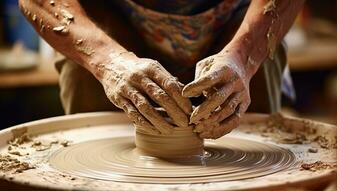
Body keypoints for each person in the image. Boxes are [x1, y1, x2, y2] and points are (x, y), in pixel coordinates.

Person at [19, 0, 304, 139]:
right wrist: (107, 61)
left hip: (240, 20)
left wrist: (244, 56)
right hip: (105, 23)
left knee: (254, 151)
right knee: (95, 158)